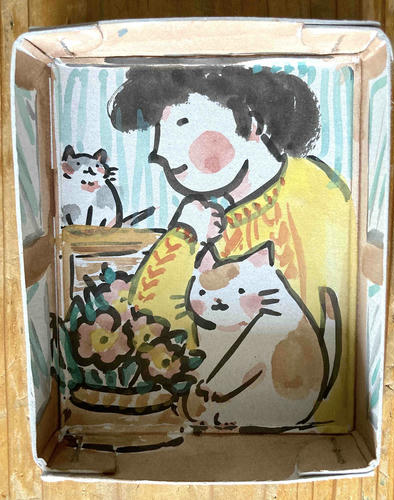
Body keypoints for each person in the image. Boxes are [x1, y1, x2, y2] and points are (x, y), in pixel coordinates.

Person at [108, 65, 357, 429]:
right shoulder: (220, 224)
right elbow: (153, 325)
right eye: (161, 131)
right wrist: (184, 236)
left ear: (252, 122)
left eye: (183, 123)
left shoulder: (318, 200)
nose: (160, 152)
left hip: (300, 417)